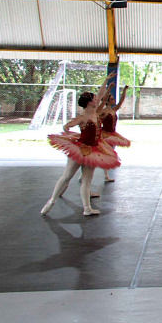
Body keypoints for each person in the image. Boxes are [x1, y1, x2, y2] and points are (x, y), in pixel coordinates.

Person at [41, 74, 120, 217]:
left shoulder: (96, 113)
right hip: (80, 149)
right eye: (94, 99)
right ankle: (51, 201)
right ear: (89, 103)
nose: (97, 100)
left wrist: (106, 81)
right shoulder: (82, 117)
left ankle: (87, 208)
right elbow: (67, 126)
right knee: (67, 176)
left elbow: (101, 95)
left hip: (93, 150)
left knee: (87, 180)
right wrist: (69, 132)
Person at [98, 85, 130, 183]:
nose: (114, 100)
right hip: (105, 135)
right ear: (107, 101)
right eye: (111, 99)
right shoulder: (103, 112)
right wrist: (108, 89)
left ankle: (105, 173)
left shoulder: (114, 109)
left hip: (112, 135)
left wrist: (124, 90)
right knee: (105, 154)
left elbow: (121, 101)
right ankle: (106, 175)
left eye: (113, 99)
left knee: (110, 153)